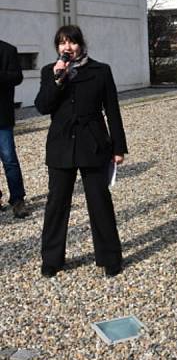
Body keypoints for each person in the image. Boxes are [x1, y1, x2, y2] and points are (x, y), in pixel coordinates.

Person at [35, 25, 127, 278]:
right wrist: (56, 78)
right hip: (61, 145)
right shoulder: (49, 71)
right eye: (63, 43)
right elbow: (42, 106)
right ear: (57, 47)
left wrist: (118, 147)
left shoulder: (101, 71)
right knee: (56, 204)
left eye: (72, 42)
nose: (68, 48)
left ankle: (110, 257)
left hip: (94, 144)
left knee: (99, 202)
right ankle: (52, 259)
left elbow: (112, 110)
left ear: (81, 45)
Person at [0, 38, 29, 218]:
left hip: (1, 116)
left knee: (9, 159)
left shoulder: (8, 49)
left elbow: (17, 77)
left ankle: (18, 200)